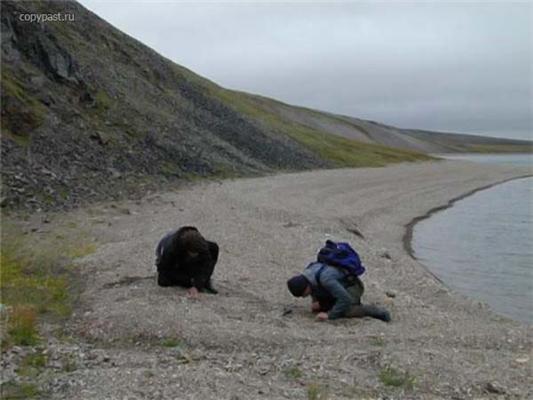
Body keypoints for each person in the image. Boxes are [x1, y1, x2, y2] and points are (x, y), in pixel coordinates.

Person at [287, 261, 391, 322]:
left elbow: (345, 299)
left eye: (303, 294)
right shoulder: (308, 273)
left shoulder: (325, 279)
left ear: (305, 287)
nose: (304, 297)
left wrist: (330, 315)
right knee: (323, 307)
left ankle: (374, 311)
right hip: (337, 286)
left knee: (345, 310)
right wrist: (316, 302)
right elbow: (314, 290)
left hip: (352, 287)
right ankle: (330, 305)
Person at [155, 226, 219, 298]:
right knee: (164, 281)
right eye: (195, 253)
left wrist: (197, 285)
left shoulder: (203, 245)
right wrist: (191, 281)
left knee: (212, 252)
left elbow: (207, 262)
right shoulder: (170, 250)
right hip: (169, 258)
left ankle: (199, 281)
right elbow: (163, 273)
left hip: (185, 254)